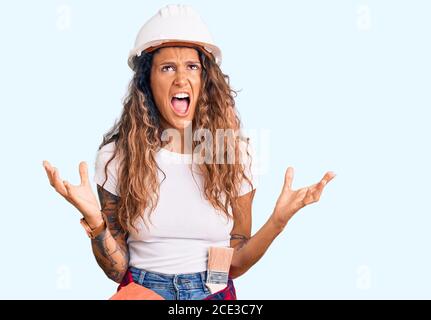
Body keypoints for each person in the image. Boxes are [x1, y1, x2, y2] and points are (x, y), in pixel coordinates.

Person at [42, 4, 335, 300]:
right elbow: (117, 270)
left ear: (205, 79)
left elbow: (235, 256)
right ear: (147, 81)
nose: (181, 79)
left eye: (192, 67)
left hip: (213, 289)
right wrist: (95, 222)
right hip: (143, 290)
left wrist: (278, 221)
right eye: (167, 67)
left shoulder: (229, 151)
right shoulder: (119, 154)